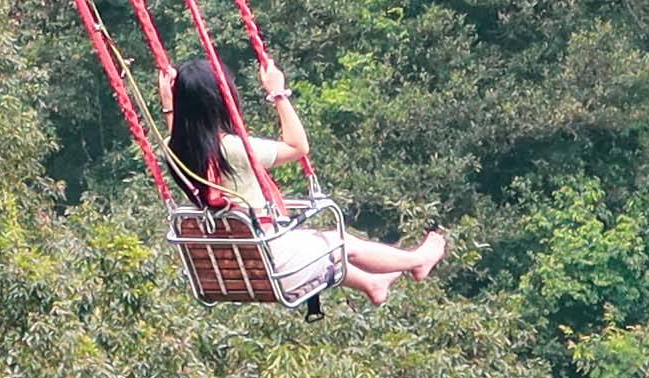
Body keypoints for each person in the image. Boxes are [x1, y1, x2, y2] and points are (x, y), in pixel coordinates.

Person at [164, 52, 447, 307]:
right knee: (339, 242)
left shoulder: (174, 151)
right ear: (220, 101)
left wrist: (169, 105)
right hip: (272, 264)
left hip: (234, 267)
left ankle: (372, 283)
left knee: (314, 241)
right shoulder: (233, 149)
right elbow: (298, 147)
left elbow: (181, 135)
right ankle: (416, 261)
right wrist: (278, 93)